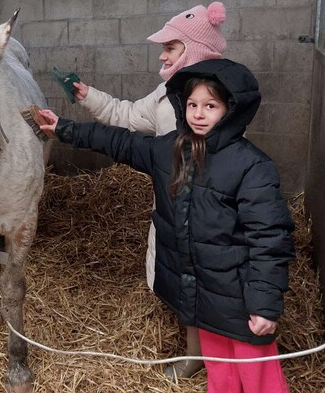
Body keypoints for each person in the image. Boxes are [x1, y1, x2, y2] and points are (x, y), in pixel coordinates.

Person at [40, 58, 295, 393]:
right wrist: (65, 129)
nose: (198, 114)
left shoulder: (251, 167)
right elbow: (122, 142)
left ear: (232, 109)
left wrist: (264, 305)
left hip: (240, 297)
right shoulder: (172, 149)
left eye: (210, 106)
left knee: (257, 376)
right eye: (192, 104)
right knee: (221, 372)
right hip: (205, 294)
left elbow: (270, 240)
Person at [71, 1, 228, 379]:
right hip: (171, 200)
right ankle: (198, 348)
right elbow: (125, 116)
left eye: (170, 48)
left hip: (205, 208)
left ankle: (201, 356)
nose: (161, 54)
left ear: (192, 50)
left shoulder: (212, 102)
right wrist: (87, 95)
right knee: (183, 272)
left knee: (201, 275)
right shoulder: (164, 96)